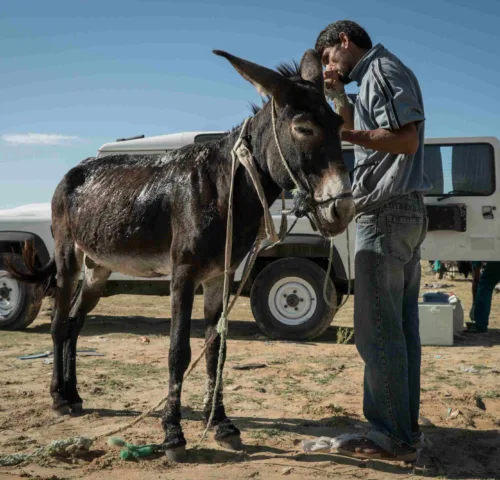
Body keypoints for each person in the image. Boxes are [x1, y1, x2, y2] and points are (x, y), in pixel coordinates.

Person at [315, 21, 430, 461]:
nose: (330, 66)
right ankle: (403, 429)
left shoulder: (382, 69)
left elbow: (405, 139)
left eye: (329, 58)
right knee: (399, 331)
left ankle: (388, 436)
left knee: (378, 330)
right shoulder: (372, 78)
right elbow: (368, 135)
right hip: (402, 211)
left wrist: (342, 134)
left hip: (385, 211)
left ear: (344, 42)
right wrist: (338, 100)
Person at [469, 261, 500, 333]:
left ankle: (480, 325)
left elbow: (476, 279)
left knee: (485, 284)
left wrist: (474, 304)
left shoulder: (473, 252)